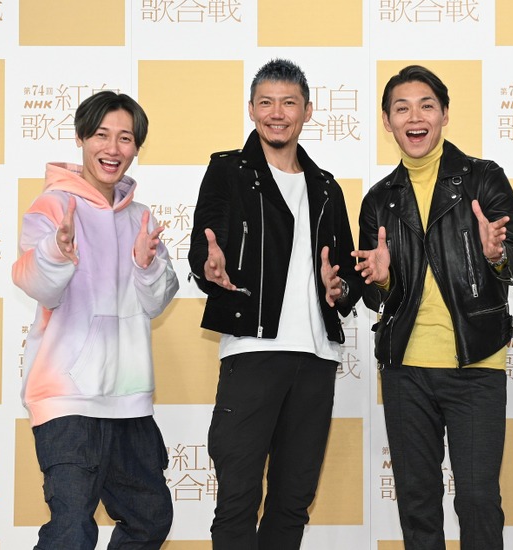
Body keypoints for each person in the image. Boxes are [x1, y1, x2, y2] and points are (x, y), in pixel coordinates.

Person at [353, 65, 513, 550]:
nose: (415, 117)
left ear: (445, 114)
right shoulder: (379, 200)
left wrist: (496, 253)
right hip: (405, 370)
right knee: (417, 503)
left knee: (477, 499)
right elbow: (373, 296)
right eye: (402, 108)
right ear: (387, 121)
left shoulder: (483, 178)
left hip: (476, 362)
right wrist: (382, 278)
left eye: (426, 105)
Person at [187, 58, 362, 550]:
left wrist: (339, 289)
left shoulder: (326, 186)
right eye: (266, 102)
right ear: (251, 109)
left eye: (288, 103)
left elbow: (347, 274)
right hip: (252, 352)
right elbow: (205, 243)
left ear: (308, 110)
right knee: (238, 499)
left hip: (316, 358)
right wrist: (209, 266)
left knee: (292, 502)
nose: (277, 113)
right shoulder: (228, 170)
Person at [12, 91, 178, 549]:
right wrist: (56, 252)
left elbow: (157, 301)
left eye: (125, 138)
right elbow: (37, 284)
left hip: (128, 399)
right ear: (82, 138)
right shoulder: (53, 207)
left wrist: (147, 265)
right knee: (71, 530)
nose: (112, 148)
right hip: (67, 398)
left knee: (150, 518)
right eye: (101, 135)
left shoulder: (141, 218)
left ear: (137, 147)